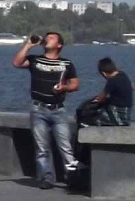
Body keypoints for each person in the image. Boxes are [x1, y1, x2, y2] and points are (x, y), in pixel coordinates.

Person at [12, 31, 82, 188]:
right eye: (47, 37)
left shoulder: (66, 64)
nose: (47, 39)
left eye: (51, 38)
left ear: (59, 45)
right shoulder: (35, 60)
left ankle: (72, 177)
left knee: (65, 147)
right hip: (38, 109)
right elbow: (17, 63)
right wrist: (28, 45)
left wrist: (64, 87)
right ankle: (46, 178)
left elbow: (76, 84)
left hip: (58, 110)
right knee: (42, 147)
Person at [78, 58, 135, 126]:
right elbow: (132, 87)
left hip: (117, 113)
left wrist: (94, 100)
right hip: (126, 111)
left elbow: (101, 98)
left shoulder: (112, 81)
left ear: (104, 73)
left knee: (88, 115)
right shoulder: (123, 74)